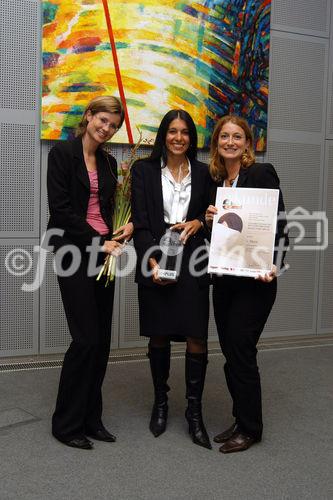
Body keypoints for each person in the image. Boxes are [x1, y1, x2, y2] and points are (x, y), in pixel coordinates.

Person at [47, 96, 133, 450]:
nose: (106, 128)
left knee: (99, 343)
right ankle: (66, 424)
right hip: (74, 251)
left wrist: (127, 226)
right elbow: (62, 211)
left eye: (113, 125)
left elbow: (113, 208)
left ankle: (91, 418)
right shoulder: (62, 155)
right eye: (102, 120)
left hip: (105, 253)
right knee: (84, 339)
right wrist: (100, 242)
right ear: (89, 116)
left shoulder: (111, 163)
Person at [205, 115, 289, 453]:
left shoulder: (260, 174)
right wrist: (210, 221)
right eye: (224, 136)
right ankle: (241, 418)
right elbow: (225, 238)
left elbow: (279, 225)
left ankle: (251, 428)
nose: (230, 142)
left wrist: (275, 264)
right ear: (216, 143)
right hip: (225, 279)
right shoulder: (218, 182)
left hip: (256, 281)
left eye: (236, 136)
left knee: (241, 349)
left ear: (247, 142)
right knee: (230, 352)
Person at [131, 110, 213, 449]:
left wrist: (199, 222)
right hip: (156, 254)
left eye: (185, 133)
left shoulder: (208, 173)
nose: (178, 137)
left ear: (191, 139)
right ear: (164, 135)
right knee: (159, 334)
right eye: (172, 131)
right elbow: (141, 220)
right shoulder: (144, 171)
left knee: (196, 335)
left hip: (194, 258)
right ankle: (160, 403)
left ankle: (194, 412)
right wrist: (151, 259)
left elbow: (216, 214)